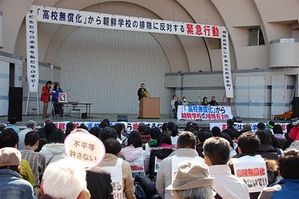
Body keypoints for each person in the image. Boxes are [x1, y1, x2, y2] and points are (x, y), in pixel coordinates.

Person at [156, 131, 204, 199]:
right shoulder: (203, 163)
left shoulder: (166, 162)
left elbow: (159, 187)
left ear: (177, 145)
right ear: (195, 146)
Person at [22, 131, 46, 196]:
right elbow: (43, 175)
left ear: (24, 142)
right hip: (34, 190)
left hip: (20, 188)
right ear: (37, 143)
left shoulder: (18, 154)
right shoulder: (39, 156)